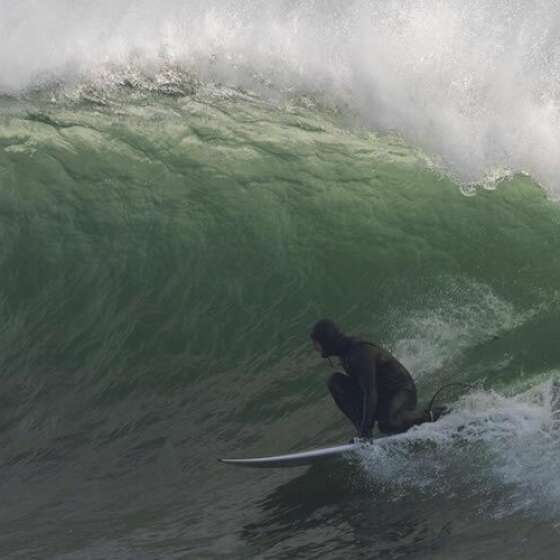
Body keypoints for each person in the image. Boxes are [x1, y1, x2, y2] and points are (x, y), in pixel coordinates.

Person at [311, 318, 439, 439]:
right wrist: (363, 430)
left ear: (327, 340)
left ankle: (429, 415)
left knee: (388, 424)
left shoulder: (359, 352)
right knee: (334, 381)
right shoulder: (344, 353)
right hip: (382, 395)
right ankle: (361, 432)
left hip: (402, 391)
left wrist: (367, 428)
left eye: (316, 343)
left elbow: (370, 392)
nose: (315, 348)